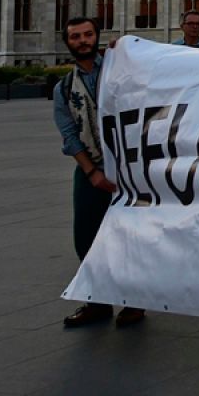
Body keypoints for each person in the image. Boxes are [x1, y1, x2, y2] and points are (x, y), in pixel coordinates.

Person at [53, 17, 144, 329]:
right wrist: (91, 172)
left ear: (97, 37)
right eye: (76, 36)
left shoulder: (122, 73)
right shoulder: (64, 88)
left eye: (88, 35)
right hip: (91, 170)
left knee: (130, 238)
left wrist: (130, 51)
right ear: (68, 42)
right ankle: (98, 302)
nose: (83, 41)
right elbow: (69, 135)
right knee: (86, 238)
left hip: (128, 170)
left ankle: (134, 302)